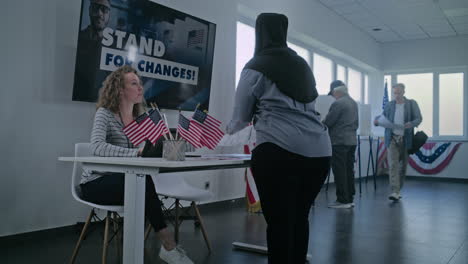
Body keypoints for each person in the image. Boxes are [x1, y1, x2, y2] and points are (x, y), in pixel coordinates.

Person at [226, 13, 332, 264]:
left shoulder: (256, 66)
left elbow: (240, 117)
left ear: (259, 32)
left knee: (280, 222)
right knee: (299, 217)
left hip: (280, 150)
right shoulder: (302, 65)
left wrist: (223, 132)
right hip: (320, 152)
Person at [79, 65, 193, 264]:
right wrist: (137, 152)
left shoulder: (141, 119)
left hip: (128, 181)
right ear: (120, 89)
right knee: (142, 181)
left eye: (140, 84)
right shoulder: (105, 114)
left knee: (140, 181)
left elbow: (157, 147)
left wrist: (182, 145)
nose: (141, 88)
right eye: (134, 84)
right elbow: (97, 147)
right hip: (96, 183)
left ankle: (152, 249)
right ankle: (168, 246)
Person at [374, 83, 422, 201]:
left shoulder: (412, 104)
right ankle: (395, 191)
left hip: (406, 139)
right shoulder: (390, 105)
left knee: (402, 167)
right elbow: (382, 117)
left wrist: (412, 123)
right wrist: (376, 120)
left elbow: (419, 118)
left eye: (399, 92)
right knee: (393, 165)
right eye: (395, 93)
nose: (396, 95)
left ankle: (398, 189)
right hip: (392, 138)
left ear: (404, 92)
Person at [323, 80, 359, 209]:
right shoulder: (353, 103)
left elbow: (328, 122)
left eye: (333, 94)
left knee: (339, 170)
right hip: (351, 140)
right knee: (349, 170)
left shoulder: (338, 104)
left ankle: (342, 200)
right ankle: (349, 198)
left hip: (338, 141)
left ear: (336, 92)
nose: (332, 96)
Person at [73, 0, 111, 102]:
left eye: (104, 9)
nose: (99, 14)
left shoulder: (115, 46)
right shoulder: (79, 38)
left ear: (109, 14)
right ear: (89, 10)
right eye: (95, 8)